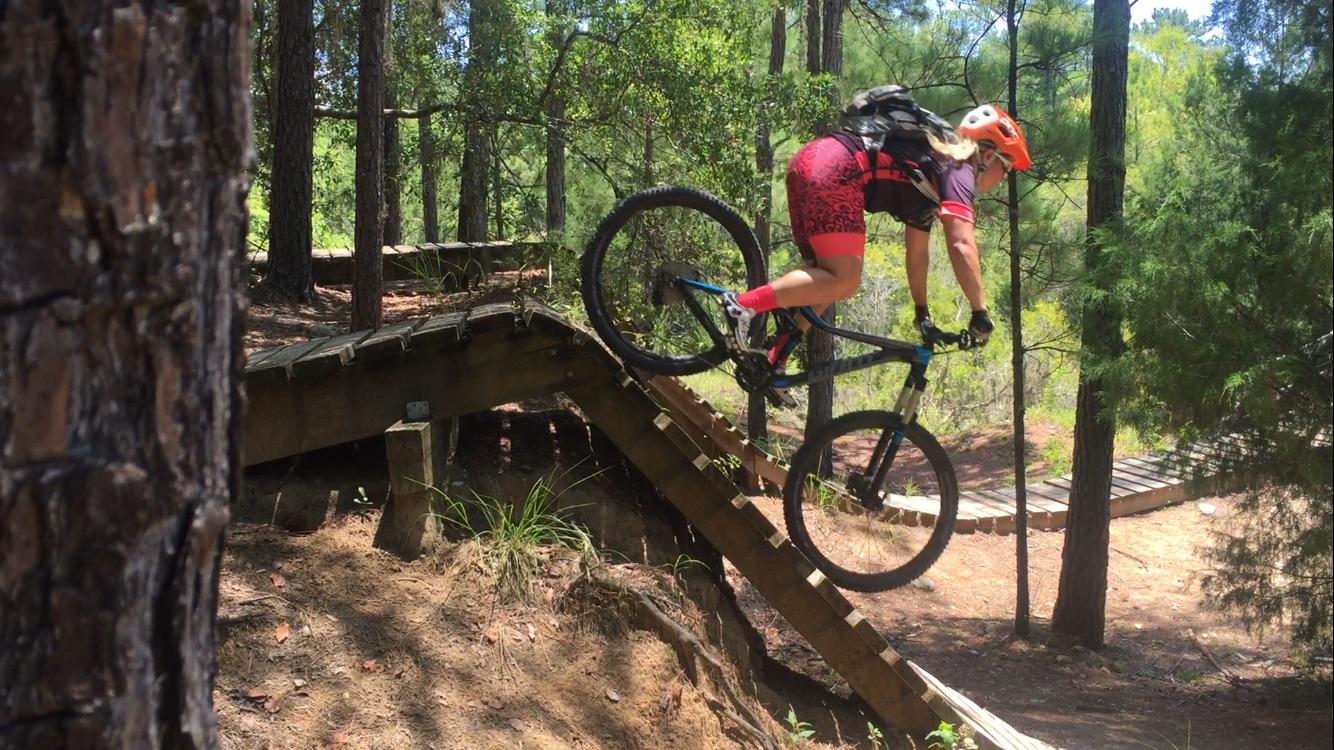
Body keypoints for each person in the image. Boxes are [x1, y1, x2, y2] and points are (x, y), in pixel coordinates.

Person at [720, 103, 1033, 370]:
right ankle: (742, 305)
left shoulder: (933, 167)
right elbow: (961, 243)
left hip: (811, 160)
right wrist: (981, 312)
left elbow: (917, 255)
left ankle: (775, 358)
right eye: (1005, 169)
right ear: (988, 155)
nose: (1002, 180)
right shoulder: (959, 168)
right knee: (845, 280)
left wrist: (922, 313)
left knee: (826, 280)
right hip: (838, 169)